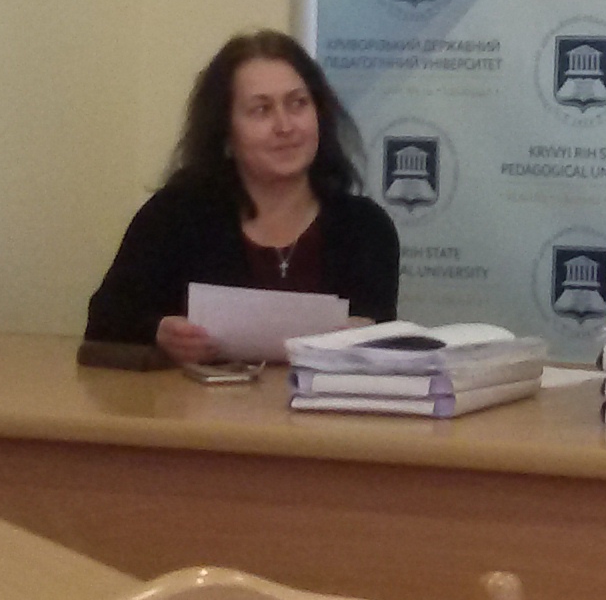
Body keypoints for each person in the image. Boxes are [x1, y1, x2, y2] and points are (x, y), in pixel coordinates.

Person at [84, 30, 400, 362]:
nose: (285, 126)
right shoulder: (173, 216)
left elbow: (390, 345)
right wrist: (157, 333)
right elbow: (104, 324)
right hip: (198, 397)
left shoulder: (366, 228)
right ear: (226, 132)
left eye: (298, 104)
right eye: (261, 110)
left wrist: (369, 337)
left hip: (325, 397)